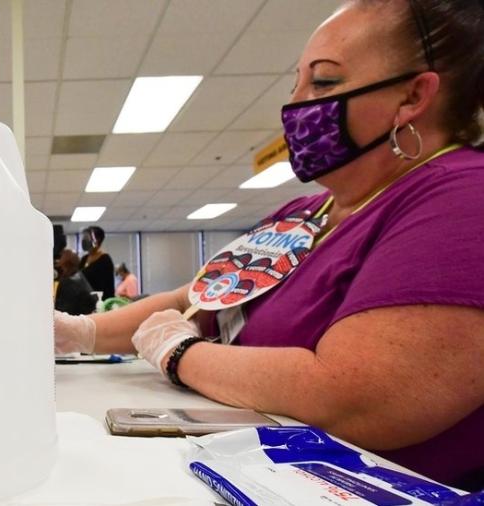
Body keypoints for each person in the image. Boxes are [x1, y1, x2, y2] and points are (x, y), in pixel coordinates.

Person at [55, 0, 484, 489]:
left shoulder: (461, 197)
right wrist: (78, 332)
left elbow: (358, 396)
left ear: (412, 95)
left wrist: (183, 355)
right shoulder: (304, 213)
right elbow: (191, 301)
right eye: (296, 83)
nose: (297, 104)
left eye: (323, 83)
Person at [54, 249, 96, 316]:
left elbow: (63, 312)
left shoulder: (67, 283)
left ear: (65, 265)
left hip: (74, 320)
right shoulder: (80, 276)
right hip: (88, 317)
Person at [78, 226, 114, 299]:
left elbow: (108, 287)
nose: (84, 240)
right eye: (84, 237)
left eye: (87, 238)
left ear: (97, 240)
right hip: (84, 301)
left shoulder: (105, 260)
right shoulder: (84, 259)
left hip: (100, 302)